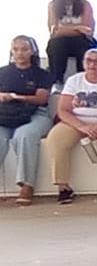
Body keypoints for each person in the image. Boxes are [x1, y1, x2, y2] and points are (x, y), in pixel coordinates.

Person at [44, 47, 97, 203]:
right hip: (77, 122)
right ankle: (63, 187)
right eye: (89, 61)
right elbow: (63, 110)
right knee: (55, 138)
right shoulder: (74, 81)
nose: (93, 65)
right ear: (83, 63)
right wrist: (82, 127)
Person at [0, 35, 54, 205]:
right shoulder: (2, 72)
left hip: (35, 113)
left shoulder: (42, 74)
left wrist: (17, 97)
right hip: (5, 115)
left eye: (24, 49)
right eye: (16, 49)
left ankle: (26, 184)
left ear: (32, 51)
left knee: (23, 136)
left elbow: (41, 99)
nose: (20, 53)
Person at [45, 0, 96, 85]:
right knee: (55, 44)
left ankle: (84, 82)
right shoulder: (53, 5)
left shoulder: (85, 4)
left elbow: (88, 30)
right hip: (61, 41)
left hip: (81, 40)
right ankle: (57, 82)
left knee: (81, 44)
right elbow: (54, 32)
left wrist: (63, 29)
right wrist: (78, 27)